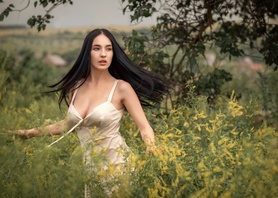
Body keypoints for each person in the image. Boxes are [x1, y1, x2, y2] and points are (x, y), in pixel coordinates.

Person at [9, 28, 170, 195]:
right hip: (91, 171)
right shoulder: (75, 87)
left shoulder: (122, 88)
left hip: (119, 168)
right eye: (97, 48)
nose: (103, 54)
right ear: (88, 53)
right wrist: (29, 133)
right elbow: (69, 124)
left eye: (108, 49)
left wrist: (151, 146)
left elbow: (144, 127)